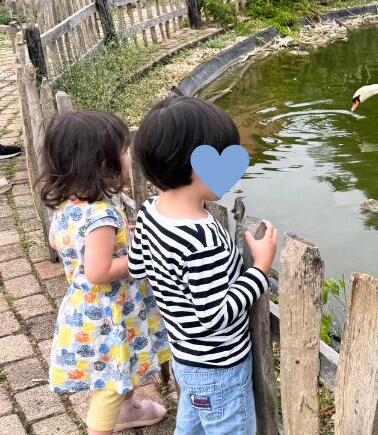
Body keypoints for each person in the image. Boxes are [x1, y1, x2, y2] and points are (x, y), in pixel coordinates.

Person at [128, 96, 277, 435]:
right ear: (198, 168)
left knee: (193, 424)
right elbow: (213, 317)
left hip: (184, 355)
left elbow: (138, 267)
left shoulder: (150, 210)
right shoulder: (200, 238)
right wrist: (260, 270)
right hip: (219, 368)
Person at [40, 111, 170, 435]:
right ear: (103, 163)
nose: (128, 156)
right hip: (106, 312)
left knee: (119, 365)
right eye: (124, 151)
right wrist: (142, 255)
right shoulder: (100, 216)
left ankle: (128, 411)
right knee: (110, 384)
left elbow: (57, 241)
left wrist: (125, 238)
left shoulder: (66, 205)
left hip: (88, 307)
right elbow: (98, 271)